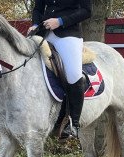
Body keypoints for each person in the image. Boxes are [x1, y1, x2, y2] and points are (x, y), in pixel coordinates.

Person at [28, 0, 92, 139]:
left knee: (73, 74)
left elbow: (86, 11)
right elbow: (38, 9)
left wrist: (60, 21)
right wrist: (34, 24)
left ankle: (73, 123)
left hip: (68, 34)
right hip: (44, 32)